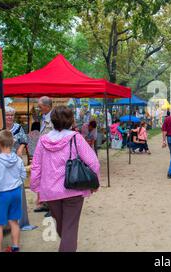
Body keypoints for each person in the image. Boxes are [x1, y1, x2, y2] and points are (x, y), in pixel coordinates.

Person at [30, 106, 100, 252]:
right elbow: (93, 162)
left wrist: (37, 189)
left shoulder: (43, 140)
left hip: (50, 192)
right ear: (71, 120)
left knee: (63, 227)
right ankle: (69, 246)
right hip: (73, 188)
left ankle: (68, 245)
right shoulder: (76, 138)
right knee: (69, 228)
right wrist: (94, 183)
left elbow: (36, 166)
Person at [0, 130, 27, 252]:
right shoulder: (18, 159)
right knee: (14, 222)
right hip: (16, 192)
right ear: (13, 142)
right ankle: (15, 247)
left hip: (2, 195)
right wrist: (15, 182)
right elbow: (23, 175)